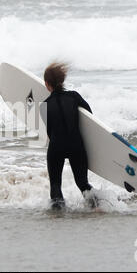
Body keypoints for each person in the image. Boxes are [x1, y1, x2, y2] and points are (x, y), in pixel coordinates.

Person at [41, 62, 98, 210]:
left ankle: (58, 213)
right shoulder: (74, 97)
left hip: (56, 146)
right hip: (76, 145)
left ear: (47, 84)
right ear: (62, 81)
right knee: (82, 183)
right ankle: (98, 207)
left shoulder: (44, 105)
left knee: (55, 184)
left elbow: (49, 131)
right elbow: (90, 119)